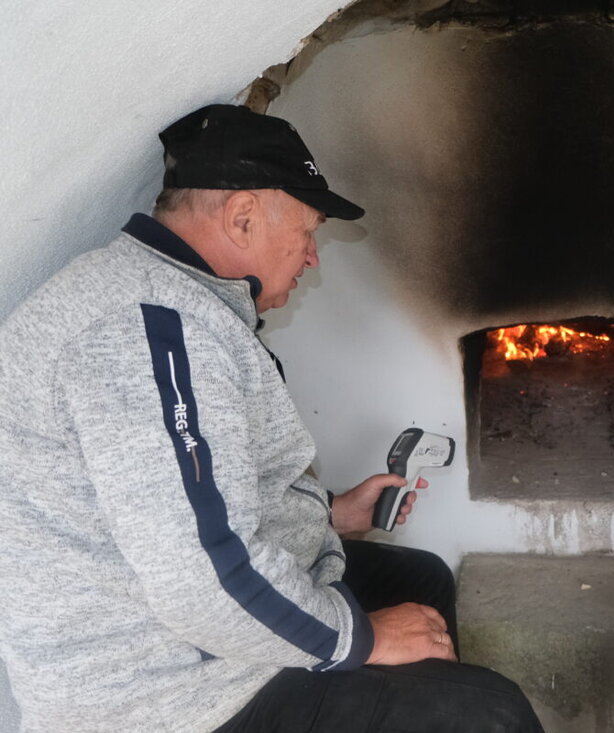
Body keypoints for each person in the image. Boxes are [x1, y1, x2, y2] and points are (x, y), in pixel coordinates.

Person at [0, 104, 542, 732]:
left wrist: (331, 513)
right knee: (488, 713)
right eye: (308, 232)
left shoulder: (173, 300)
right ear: (243, 217)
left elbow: (187, 500)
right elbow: (197, 578)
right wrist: (362, 642)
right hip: (166, 689)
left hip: (195, 626)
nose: (312, 257)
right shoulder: (147, 331)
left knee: (415, 579)